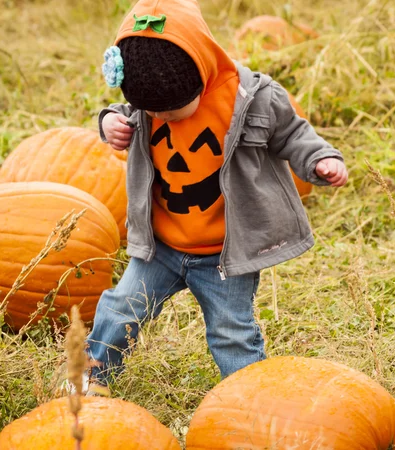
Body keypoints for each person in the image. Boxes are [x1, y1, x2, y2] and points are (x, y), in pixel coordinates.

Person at [84, 0, 348, 396]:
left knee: (232, 332)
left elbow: (293, 133)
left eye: (172, 112)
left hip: (225, 253)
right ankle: (91, 379)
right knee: (120, 308)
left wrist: (320, 159)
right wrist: (110, 123)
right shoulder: (147, 103)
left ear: (202, 71)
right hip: (160, 246)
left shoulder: (253, 98)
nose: (163, 119)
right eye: (152, 113)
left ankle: (246, 400)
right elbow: (122, 111)